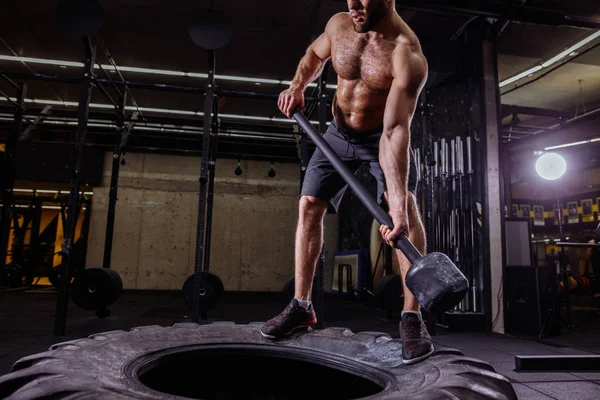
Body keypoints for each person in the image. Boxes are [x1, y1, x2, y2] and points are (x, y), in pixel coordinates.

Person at [260, 0, 433, 365]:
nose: (353, 5)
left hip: (378, 141)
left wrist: (397, 202)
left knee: (403, 212)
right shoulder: (340, 24)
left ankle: (411, 318)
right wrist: (297, 85)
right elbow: (313, 54)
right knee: (309, 206)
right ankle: (301, 307)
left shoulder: (406, 54)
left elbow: (394, 129)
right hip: (337, 135)